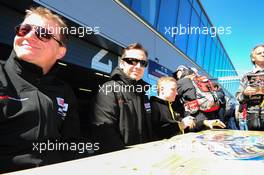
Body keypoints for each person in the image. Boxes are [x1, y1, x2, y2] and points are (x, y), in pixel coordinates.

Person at [0, 7, 81, 173]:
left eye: (43, 33)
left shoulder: (64, 91)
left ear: (61, 52)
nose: (29, 36)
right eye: (24, 29)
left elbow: (71, 145)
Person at [91, 43, 153, 154]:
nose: (138, 66)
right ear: (122, 63)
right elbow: (105, 136)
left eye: (143, 63)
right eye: (132, 61)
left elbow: (148, 131)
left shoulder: (144, 94)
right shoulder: (109, 89)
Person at [174, 65, 226, 131]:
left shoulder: (182, 82)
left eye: (178, 72)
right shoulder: (204, 83)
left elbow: (173, 100)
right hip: (210, 117)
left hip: (194, 119)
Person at [236, 44, 264, 130]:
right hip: (252, 118)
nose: (263, 54)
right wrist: (244, 93)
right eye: (260, 53)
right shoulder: (246, 76)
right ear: (253, 58)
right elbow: (238, 97)